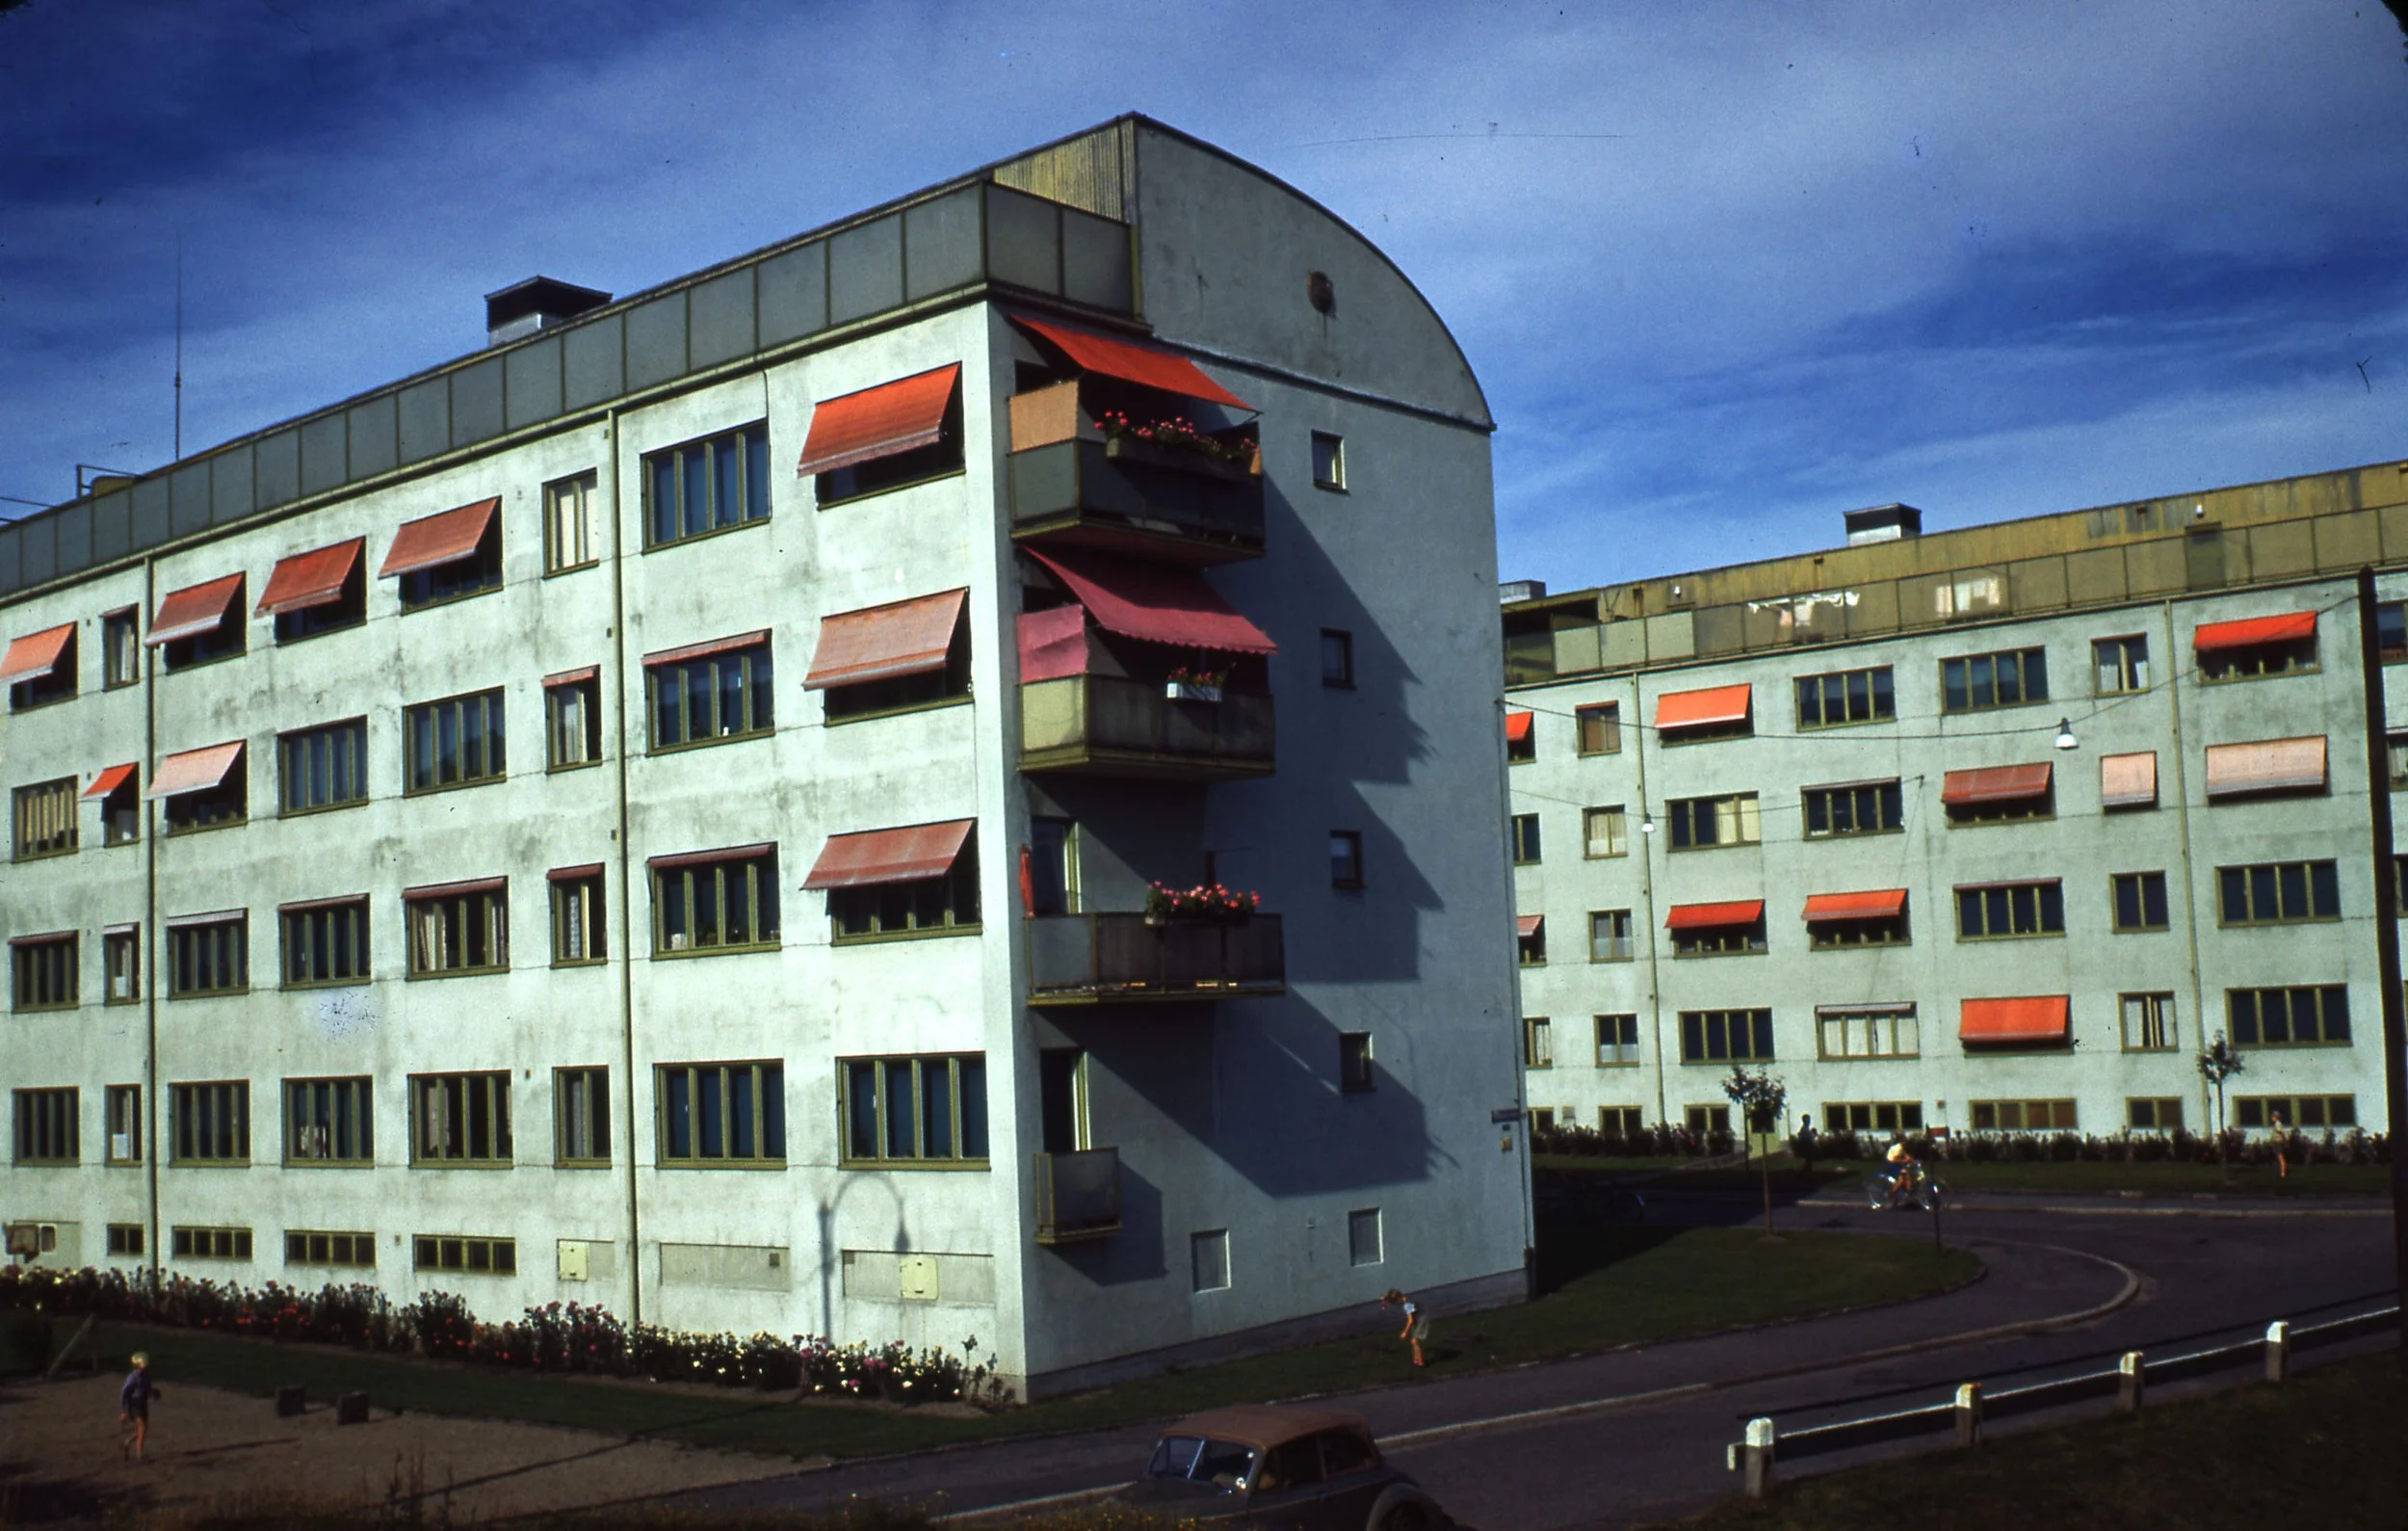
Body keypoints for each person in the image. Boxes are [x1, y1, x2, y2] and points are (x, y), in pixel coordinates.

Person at [118, 1352, 161, 1462]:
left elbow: (147, 1387)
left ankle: (126, 1443)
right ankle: (139, 1455)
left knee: (142, 1429)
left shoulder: (145, 1375)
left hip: (143, 1402)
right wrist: (123, 1411)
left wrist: (152, 1393)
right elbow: (124, 1393)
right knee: (142, 1429)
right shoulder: (133, 1377)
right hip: (136, 1403)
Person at [1379, 1288, 1430, 1367]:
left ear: (1398, 1299)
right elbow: (1387, 1297)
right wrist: (1384, 1300)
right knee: (1413, 1341)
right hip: (1417, 1315)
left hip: (1421, 1318)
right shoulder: (1404, 1297)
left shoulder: (1407, 1305)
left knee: (1414, 1341)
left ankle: (1420, 1362)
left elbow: (1410, 1320)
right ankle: (1416, 1360)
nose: (1396, 1304)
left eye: (1395, 1302)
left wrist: (1404, 1332)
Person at [1883, 1136, 1922, 1208]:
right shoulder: (1897, 1148)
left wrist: (1915, 1162)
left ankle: (1907, 1191)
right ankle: (1891, 1194)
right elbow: (1894, 1160)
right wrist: (1904, 1161)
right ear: (1902, 1142)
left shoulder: (1901, 1148)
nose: (1906, 1143)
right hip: (1890, 1164)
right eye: (1905, 1142)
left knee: (1907, 1172)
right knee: (1901, 1179)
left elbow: (1906, 1156)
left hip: (1896, 1164)